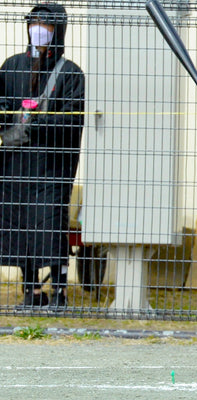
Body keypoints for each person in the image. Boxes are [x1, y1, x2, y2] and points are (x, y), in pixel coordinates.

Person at [0, 3, 85, 308]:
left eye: (46, 26)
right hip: (15, 165)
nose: (38, 31)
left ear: (58, 31)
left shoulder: (71, 73)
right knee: (21, 224)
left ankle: (60, 291)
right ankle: (31, 291)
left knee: (50, 224)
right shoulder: (10, 66)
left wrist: (37, 121)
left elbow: (73, 119)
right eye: (34, 24)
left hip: (52, 165)